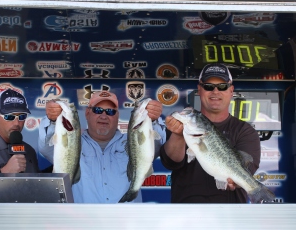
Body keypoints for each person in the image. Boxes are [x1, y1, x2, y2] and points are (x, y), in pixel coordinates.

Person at [38, 91, 166, 203]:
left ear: (117, 117)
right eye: (97, 110)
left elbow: (158, 145)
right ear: (87, 113)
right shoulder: (72, 141)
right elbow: (45, 147)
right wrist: (52, 120)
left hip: (126, 223)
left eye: (110, 111)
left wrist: (153, 120)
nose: (104, 116)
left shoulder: (131, 141)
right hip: (83, 223)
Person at [160, 63, 261, 203]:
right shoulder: (181, 126)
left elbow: (247, 168)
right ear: (199, 90)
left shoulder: (245, 131)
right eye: (208, 86)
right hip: (185, 214)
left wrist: (237, 181)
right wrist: (178, 136)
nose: (215, 91)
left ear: (231, 91)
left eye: (222, 86)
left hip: (229, 214)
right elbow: (171, 163)